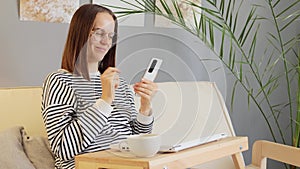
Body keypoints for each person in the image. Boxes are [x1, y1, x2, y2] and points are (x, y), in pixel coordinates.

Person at [41, 4, 157, 169]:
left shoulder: (120, 83)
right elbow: (62, 148)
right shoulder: (60, 81)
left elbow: (137, 142)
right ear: (81, 33)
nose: (106, 41)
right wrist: (105, 101)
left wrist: (145, 108)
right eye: (99, 33)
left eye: (110, 36)